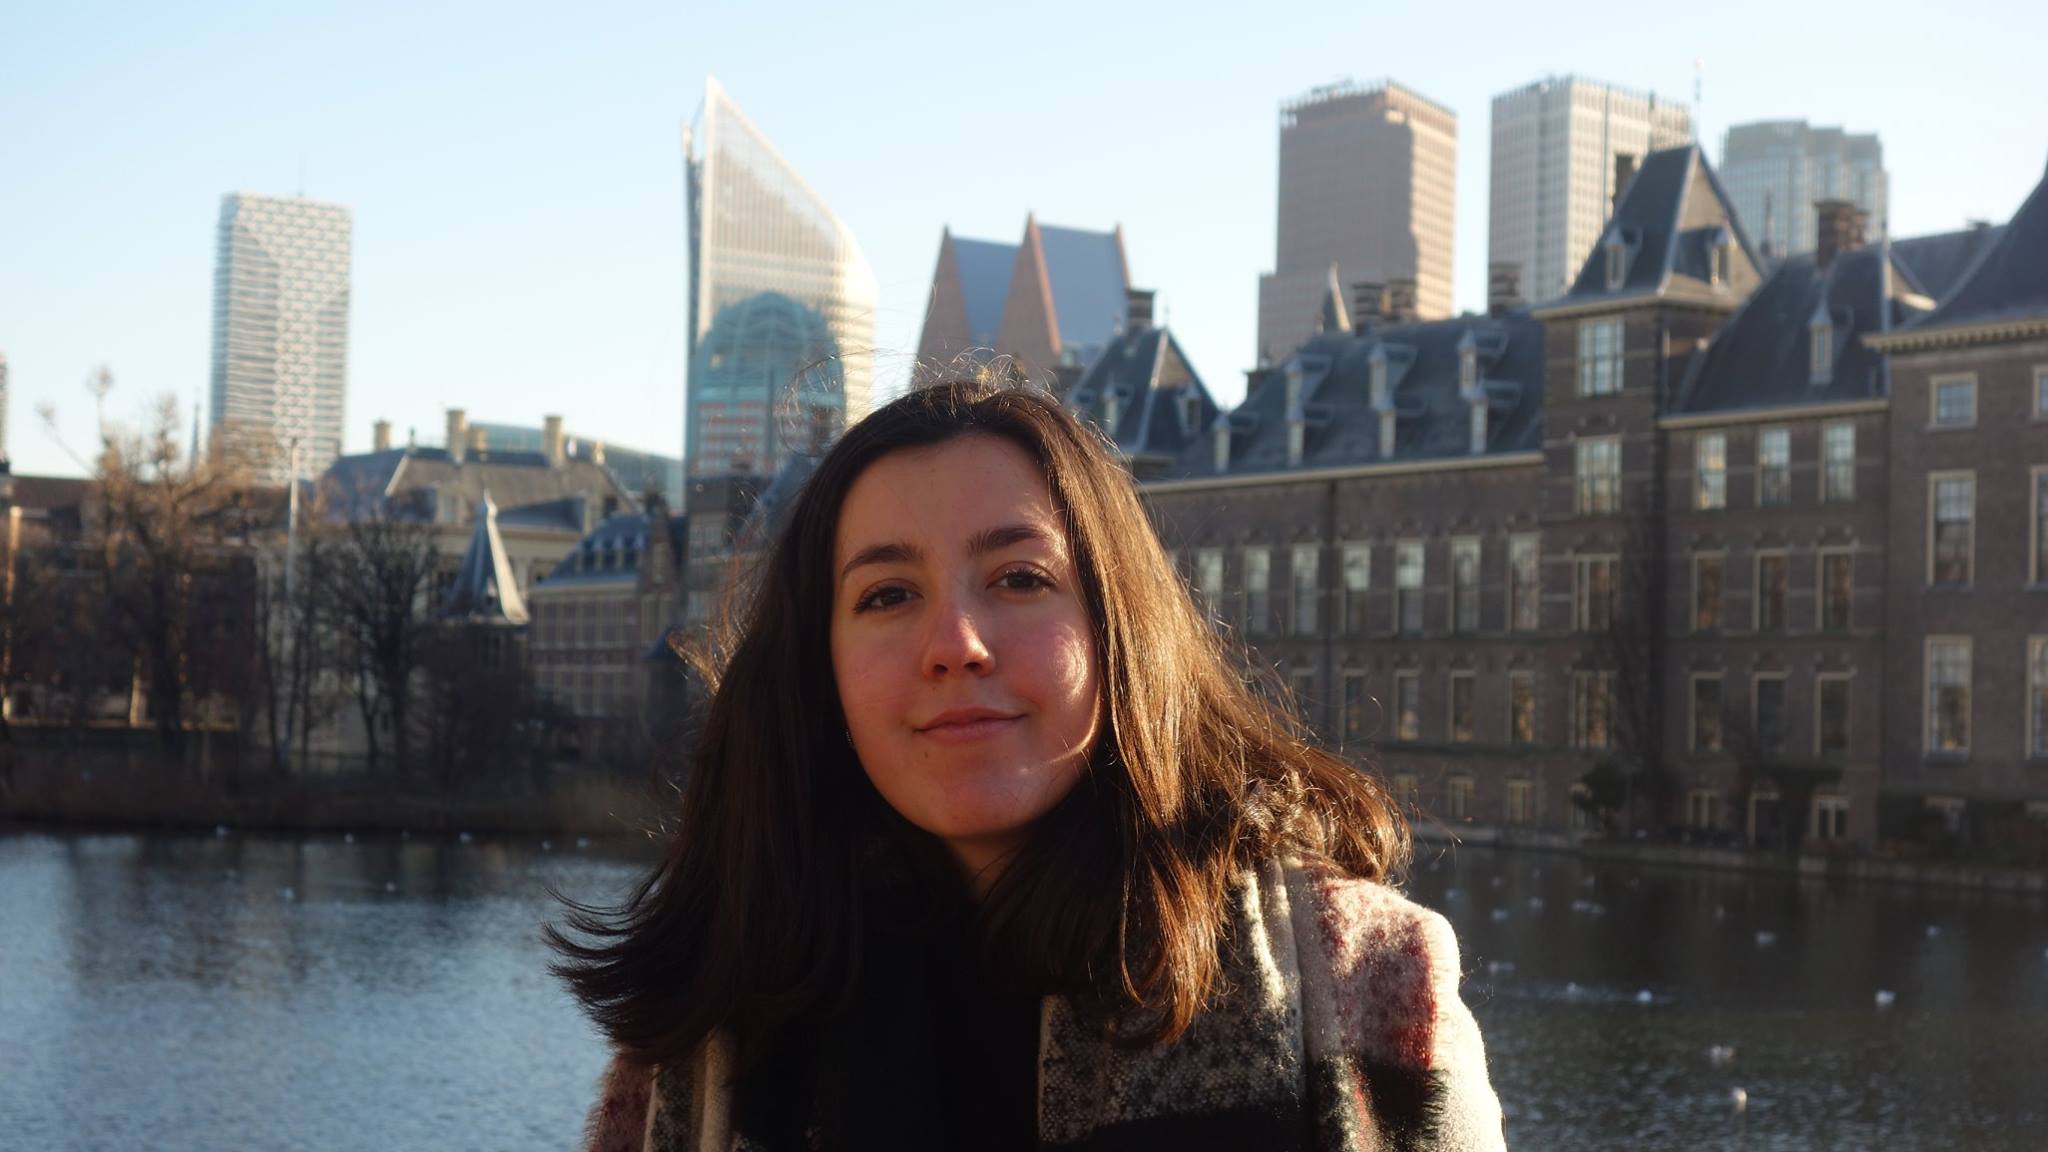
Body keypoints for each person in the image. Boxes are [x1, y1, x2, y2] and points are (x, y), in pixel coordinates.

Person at [555, 377, 1505, 1151]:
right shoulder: (704, 1022)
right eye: (887, 595)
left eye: (1019, 578)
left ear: (1118, 628)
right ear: (818, 669)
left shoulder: (1366, 978)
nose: (956, 644)